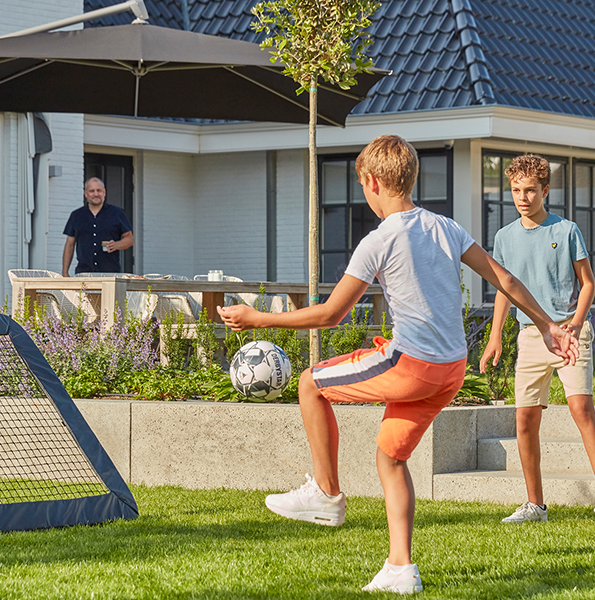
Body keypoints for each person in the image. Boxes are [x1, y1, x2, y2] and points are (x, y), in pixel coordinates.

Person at [217, 135, 578, 594]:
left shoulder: (379, 239)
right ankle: (400, 568)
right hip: (450, 370)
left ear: (371, 183)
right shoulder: (446, 227)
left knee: (310, 382)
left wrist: (257, 318)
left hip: (412, 364)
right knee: (390, 457)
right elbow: (503, 278)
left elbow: (331, 315)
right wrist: (548, 325)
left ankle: (326, 495)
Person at [479, 154, 595, 524]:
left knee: (582, 411)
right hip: (530, 336)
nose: (522, 197)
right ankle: (535, 506)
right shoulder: (504, 237)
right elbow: (503, 289)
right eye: (515, 190)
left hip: (569, 332)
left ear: (545, 190)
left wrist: (576, 324)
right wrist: (495, 335)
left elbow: (588, 283)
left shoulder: (566, 230)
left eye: (530, 190)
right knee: (525, 420)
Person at [62, 177, 134, 276]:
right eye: (92, 191)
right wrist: (65, 272)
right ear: (86, 194)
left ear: (104, 192)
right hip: (84, 273)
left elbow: (130, 239)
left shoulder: (117, 213)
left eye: (99, 190)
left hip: (110, 274)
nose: (96, 194)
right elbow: (69, 244)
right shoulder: (76, 215)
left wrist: (117, 245)